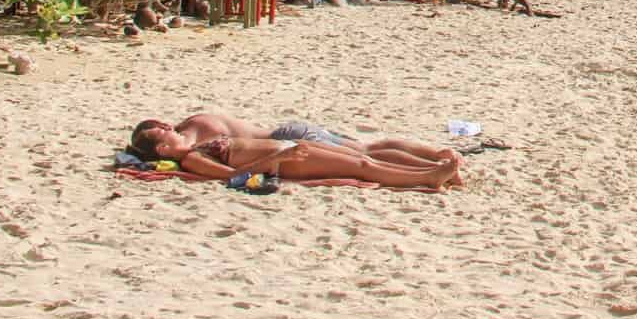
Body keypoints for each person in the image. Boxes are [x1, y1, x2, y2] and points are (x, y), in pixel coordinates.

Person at [131, 126, 461, 190]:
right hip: (286, 159)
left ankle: (433, 169)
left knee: (360, 159)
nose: (171, 129)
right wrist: (283, 154)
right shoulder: (191, 160)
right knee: (362, 166)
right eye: (165, 132)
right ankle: (428, 177)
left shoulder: (192, 149)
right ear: (162, 149)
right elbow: (230, 177)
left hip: (286, 152)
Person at [131, 113, 454, 171]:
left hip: (283, 139)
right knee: (368, 148)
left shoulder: (197, 140)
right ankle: (436, 154)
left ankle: (435, 161)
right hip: (286, 131)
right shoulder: (197, 119)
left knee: (367, 154)